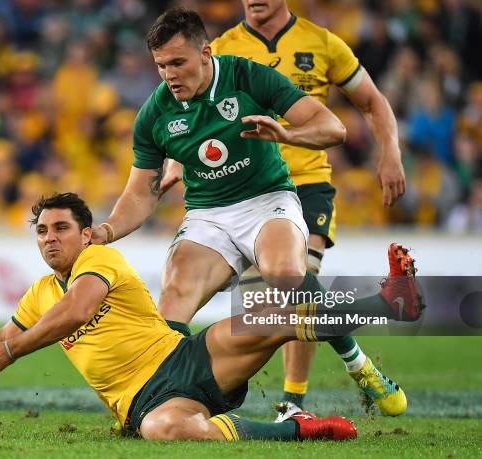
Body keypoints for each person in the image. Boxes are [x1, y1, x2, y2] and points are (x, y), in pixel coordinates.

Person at [91, 8, 418, 418]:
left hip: (269, 200)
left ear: (205, 54)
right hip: (208, 214)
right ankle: (164, 404)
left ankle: (355, 366)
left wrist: (289, 133)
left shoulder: (248, 75)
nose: (169, 74)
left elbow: (334, 127)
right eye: (161, 66)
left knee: (285, 278)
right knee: (173, 300)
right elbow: (141, 192)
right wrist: (105, 229)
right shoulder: (155, 114)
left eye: (178, 63)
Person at [0, 192, 421, 440]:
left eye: (60, 228)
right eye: (42, 231)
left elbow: (78, 310)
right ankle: (304, 431)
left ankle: (389, 302)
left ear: (86, 234)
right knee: (163, 430)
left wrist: (9, 351)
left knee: (275, 311)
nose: (50, 238)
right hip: (142, 402)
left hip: (187, 357)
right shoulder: (38, 293)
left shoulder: (99, 260)